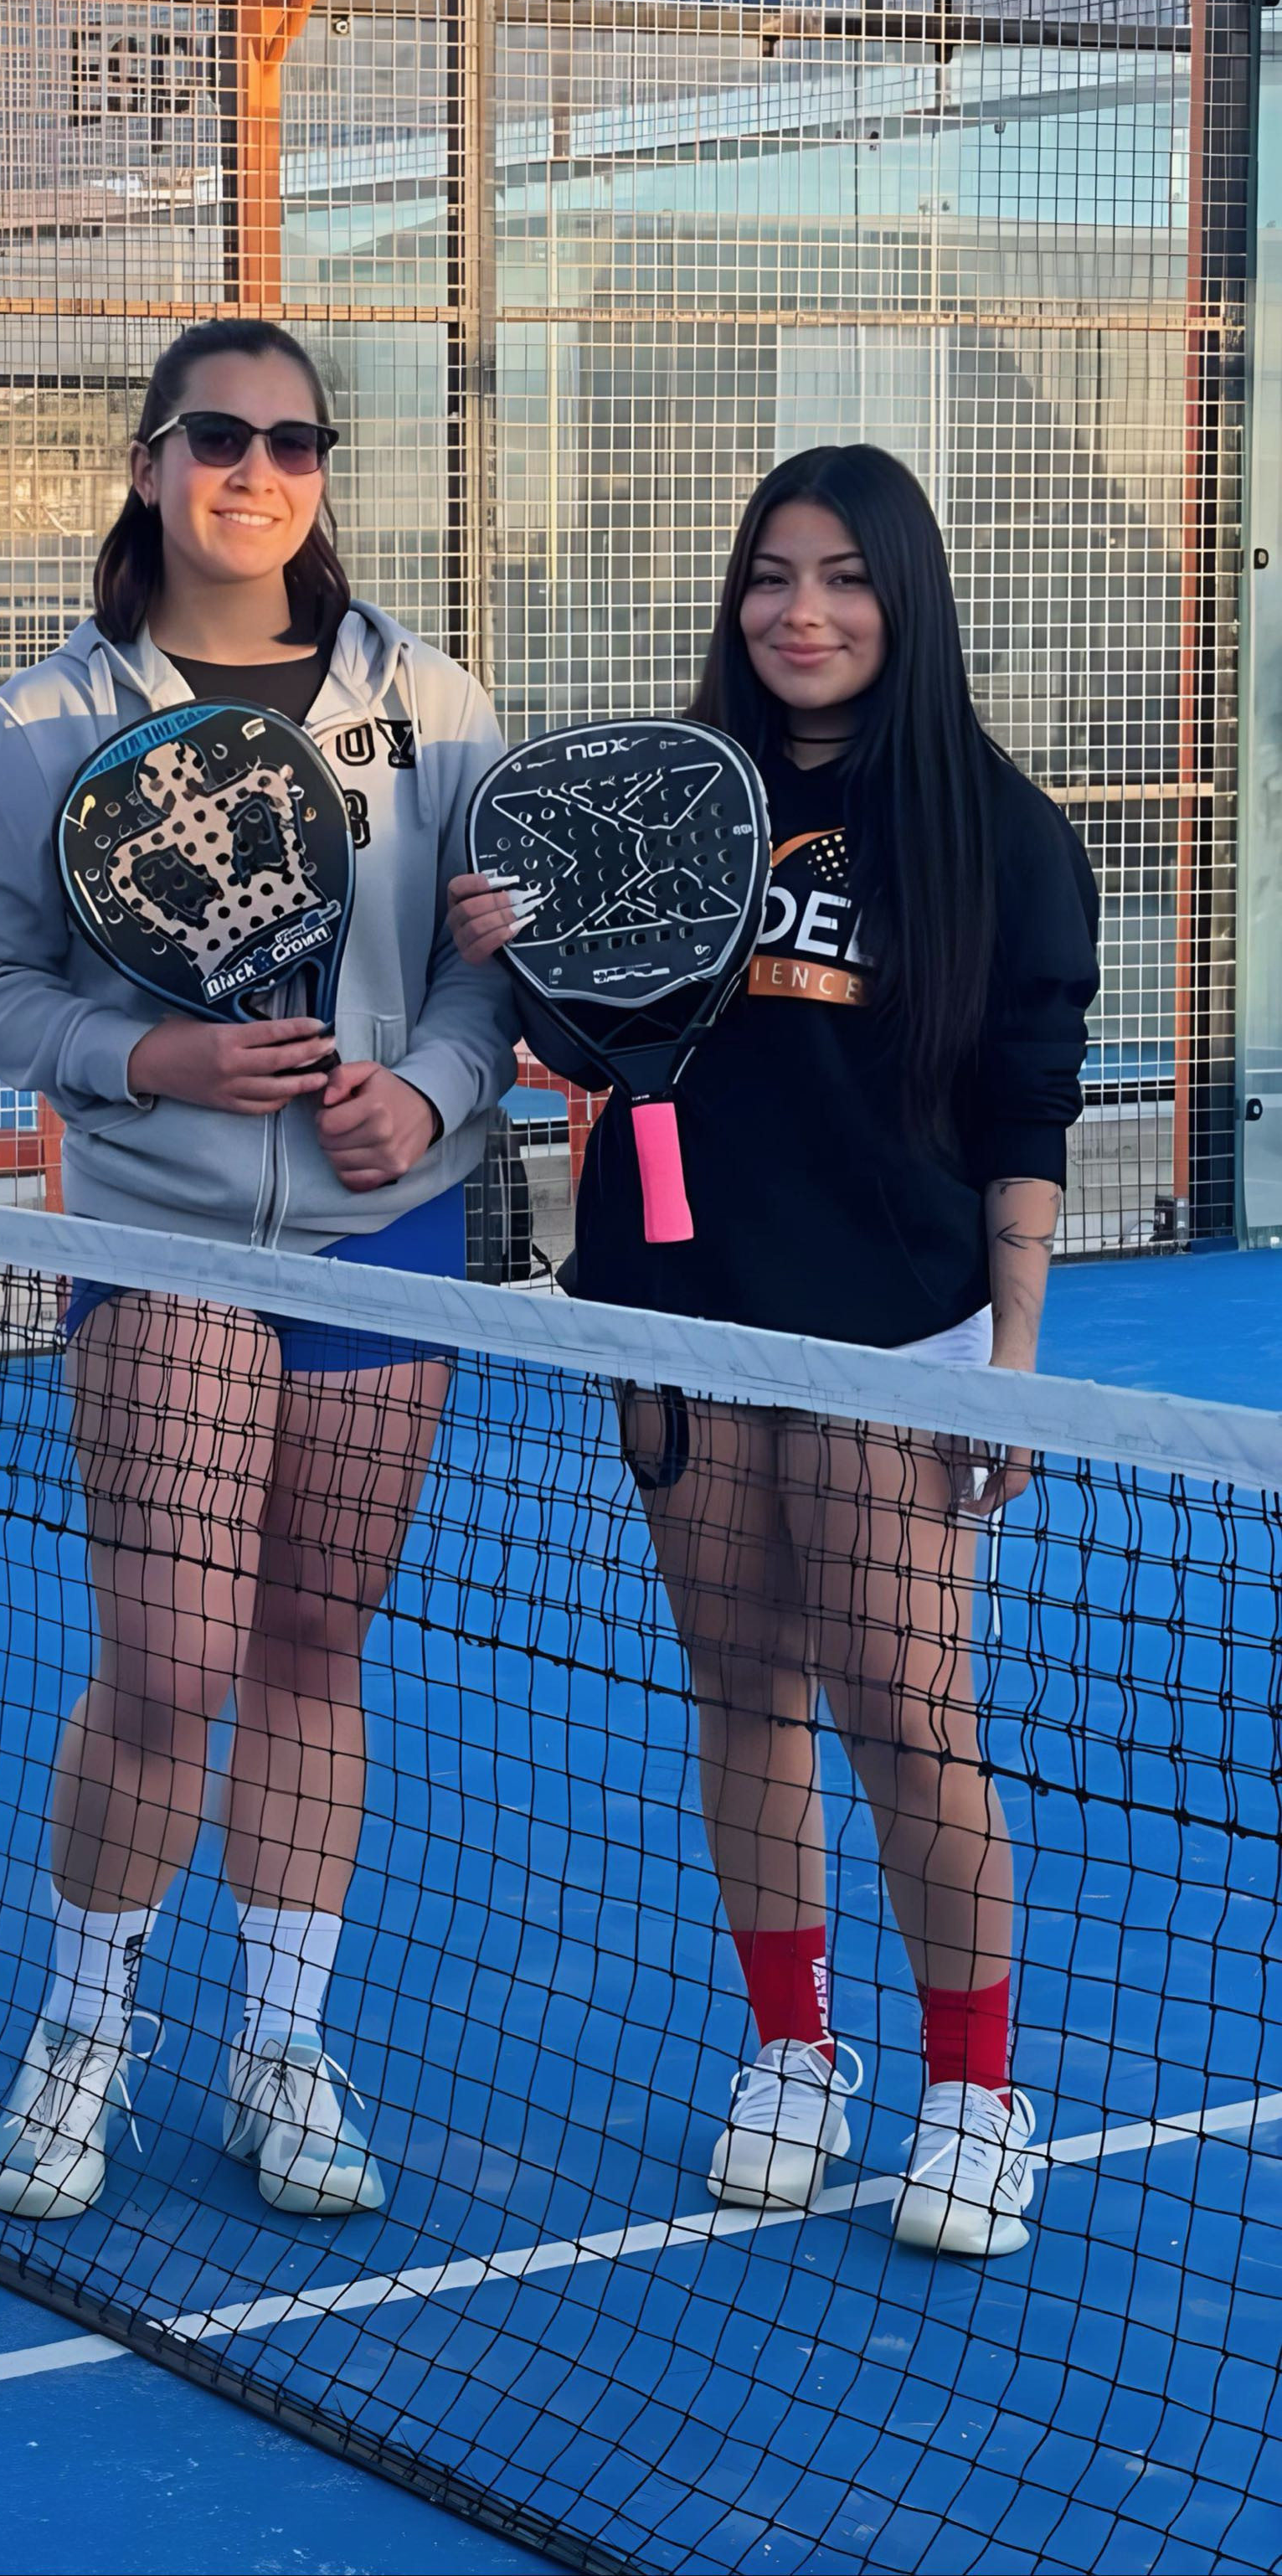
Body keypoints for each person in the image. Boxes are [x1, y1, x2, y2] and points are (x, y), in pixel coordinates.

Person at [449, 443, 1098, 2262]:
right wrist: (504, 953)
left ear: (907, 598)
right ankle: (793, 2055)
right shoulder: (661, 792)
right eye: (770, 576)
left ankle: (974, 2094)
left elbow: (1027, 1114)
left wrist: (1014, 1357)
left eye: (844, 577)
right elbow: (590, 1037)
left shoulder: (1001, 833)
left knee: (907, 1711)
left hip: (893, 1337)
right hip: (678, 1315)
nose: (800, 612)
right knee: (742, 1689)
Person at [0, 318, 518, 2225]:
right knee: (173, 1665)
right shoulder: (43, 722)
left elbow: (486, 967)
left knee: (311, 1652)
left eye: (292, 440)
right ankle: (83, 2029)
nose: (254, 469)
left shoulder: (428, 700)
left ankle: (283, 2044)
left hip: (385, 1246)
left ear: (323, 471)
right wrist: (153, 1059)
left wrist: (428, 1098)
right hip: (161, 1239)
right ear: (150, 461)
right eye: (216, 435)